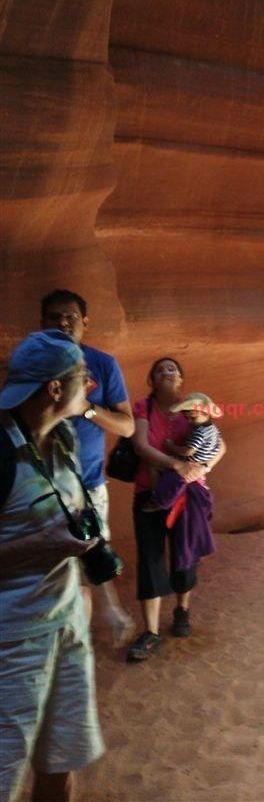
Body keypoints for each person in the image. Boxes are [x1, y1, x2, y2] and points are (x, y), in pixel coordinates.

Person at [0, 330, 105, 802]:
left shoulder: (63, 438)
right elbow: (38, 543)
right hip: (12, 640)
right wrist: (34, 549)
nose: (92, 386)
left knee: (62, 760)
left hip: (67, 626)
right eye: (83, 376)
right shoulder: (2, 453)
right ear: (55, 389)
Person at [40, 288, 136, 645]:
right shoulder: (30, 364)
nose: (63, 322)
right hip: (41, 485)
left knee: (92, 556)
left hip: (88, 483)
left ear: (85, 323)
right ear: (42, 323)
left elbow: (126, 426)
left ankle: (82, 639)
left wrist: (87, 409)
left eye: (71, 317)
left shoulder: (102, 364)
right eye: (54, 317)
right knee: (55, 569)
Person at [127, 358, 225, 662]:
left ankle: (182, 610)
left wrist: (202, 467)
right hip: (148, 493)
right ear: (151, 379)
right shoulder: (143, 408)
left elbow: (221, 445)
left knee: (185, 553)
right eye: (160, 370)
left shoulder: (194, 408)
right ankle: (151, 632)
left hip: (188, 496)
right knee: (150, 558)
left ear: (181, 379)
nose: (166, 372)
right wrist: (177, 464)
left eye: (172, 369)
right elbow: (140, 446)